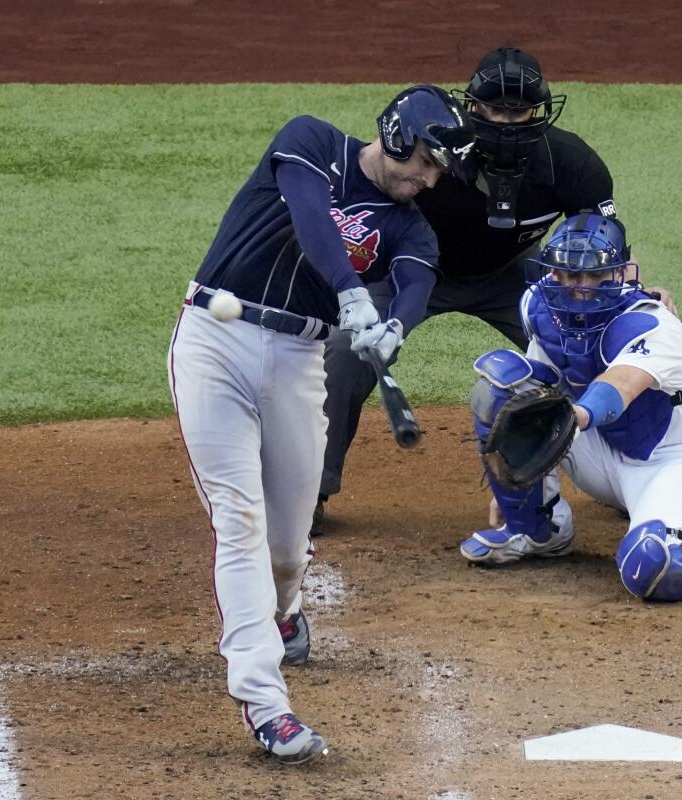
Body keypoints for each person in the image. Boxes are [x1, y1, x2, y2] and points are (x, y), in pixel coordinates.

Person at [166, 85, 475, 764]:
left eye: (436, 174)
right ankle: (264, 703)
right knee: (238, 520)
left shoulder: (410, 225)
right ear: (395, 135)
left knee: (287, 542)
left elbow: (417, 280)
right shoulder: (310, 144)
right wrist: (352, 293)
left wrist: (395, 327)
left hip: (301, 362)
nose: (425, 180)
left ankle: (284, 606)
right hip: (214, 342)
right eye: (423, 162)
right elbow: (311, 221)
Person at [316, 46, 624, 525]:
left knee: (598, 345)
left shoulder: (571, 164)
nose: (506, 121)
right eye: (495, 109)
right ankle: (310, 492)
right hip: (410, 270)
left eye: (518, 109)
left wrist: (633, 298)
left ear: (539, 112)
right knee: (342, 351)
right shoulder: (431, 150)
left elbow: (606, 251)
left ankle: (628, 477)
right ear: (472, 107)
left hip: (509, 276)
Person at [459, 213, 682, 601]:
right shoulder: (542, 307)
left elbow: (619, 386)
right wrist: (516, 484)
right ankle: (538, 530)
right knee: (501, 381)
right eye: (567, 275)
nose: (577, 289)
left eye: (591, 276)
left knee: (653, 566)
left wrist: (571, 419)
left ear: (621, 273)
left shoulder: (651, 325)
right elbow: (541, 383)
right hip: (606, 455)